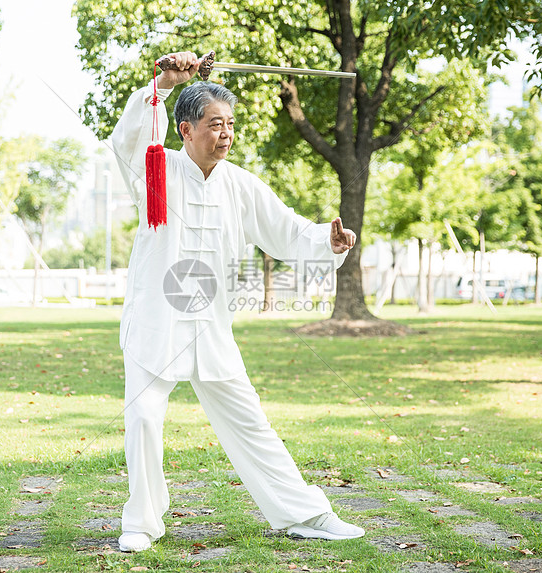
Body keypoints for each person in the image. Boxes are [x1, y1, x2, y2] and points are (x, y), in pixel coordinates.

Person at [110, 51, 362, 553]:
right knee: (142, 419)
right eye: (213, 124)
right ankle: (141, 522)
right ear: (185, 129)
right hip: (156, 324)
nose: (224, 134)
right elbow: (126, 141)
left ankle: (306, 513)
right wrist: (161, 84)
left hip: (211, 327)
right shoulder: (155, 172)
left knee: (251, 422)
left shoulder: (243, 186)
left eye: (230, 125)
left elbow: (287, 230)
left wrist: (326, 241)